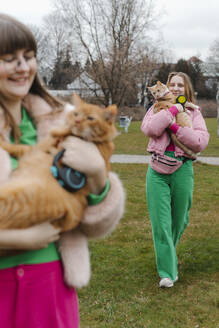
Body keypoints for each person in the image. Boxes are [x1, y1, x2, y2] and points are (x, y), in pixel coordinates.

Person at [0, 13, 125, 327]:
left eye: (28, 57)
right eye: (8, 59)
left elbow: (91, 225)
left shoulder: (64, 121)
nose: (22, 67)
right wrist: (18, 238)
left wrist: (98, 175)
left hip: (51, 284)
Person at [141, 72, 209, 288]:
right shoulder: (156, 107)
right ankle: (167, 273)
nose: (176, 88)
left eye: (180, 85)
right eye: (173, 84)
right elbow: (150, 129)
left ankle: (166, 253)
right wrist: (171, 111)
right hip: (156, 171)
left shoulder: (194, 112)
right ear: (167, 87)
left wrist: (175, 127)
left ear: (186, 89)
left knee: (179, 221)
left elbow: (199, 142)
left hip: (183, 169)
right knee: (161, 224)